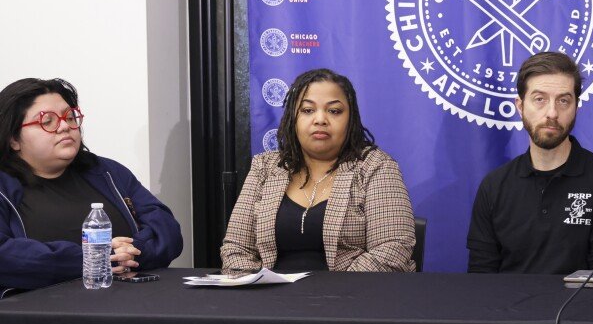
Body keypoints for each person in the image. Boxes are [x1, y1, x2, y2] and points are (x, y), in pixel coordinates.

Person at [0, 78, 184, 294]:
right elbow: (6, 256)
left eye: (70, 117)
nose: (64, 126)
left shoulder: (107, 172)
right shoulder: (4, 186)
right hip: (37, 310)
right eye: (47, 121)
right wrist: (94, 259)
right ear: (13, 139)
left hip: (131, 303)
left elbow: (167, 232)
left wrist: (132, 252)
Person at [221, 69, 415, 274]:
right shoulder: (265, 167)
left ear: (351, 119)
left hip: (351, 291)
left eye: (334, 111)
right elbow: (237, 249)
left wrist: (335, 290)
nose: (320, 119)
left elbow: (392, 250)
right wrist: (256, 287)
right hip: (272, 292)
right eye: (307, 110)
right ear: (293, 118)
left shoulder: (376, 166)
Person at [467, 52, 593, 274]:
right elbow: (480, 277)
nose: (552, 113)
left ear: (576, 107)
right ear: (520, 106)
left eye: (563, 101)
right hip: (506, 298)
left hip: (580, 298)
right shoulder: (494, 186)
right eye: (540, 99)